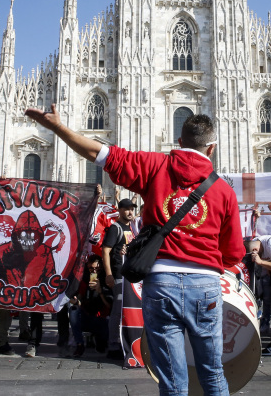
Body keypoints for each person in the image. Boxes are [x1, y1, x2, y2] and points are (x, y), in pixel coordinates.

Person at [26, 105, 242, 396]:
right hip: (205, 285)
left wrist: (58, 128)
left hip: (162, 282)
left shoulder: (155, 165)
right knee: (213, 374)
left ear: (179, 143)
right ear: (212, 148)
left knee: (173, 381)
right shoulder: (224, 190)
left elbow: (98, 154)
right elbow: (233, 254)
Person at [102, 197, 136, 360]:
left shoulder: (133, 228)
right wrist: (108, 274)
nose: (130, 212)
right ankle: (113, 344)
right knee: (117, 310)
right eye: (127, 209)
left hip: (130, 277)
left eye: (132, 209)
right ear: (120, 210)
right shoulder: (116, 228)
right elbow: (105, 251)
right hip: (119, 275)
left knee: (128, 310)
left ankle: (125, 341)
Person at [70, 254, 112, 357]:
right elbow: (80, 299)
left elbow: (109, 305)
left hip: (102, 319)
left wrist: (100, 291)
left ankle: (99, 341)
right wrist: (75, 301)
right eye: (91, 268)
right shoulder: (85, 279)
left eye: (97, 268)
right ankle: (80, 344)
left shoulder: (106, 280)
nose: (94, 271)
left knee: (101, 346)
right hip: (88, 315)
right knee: (73, 310)